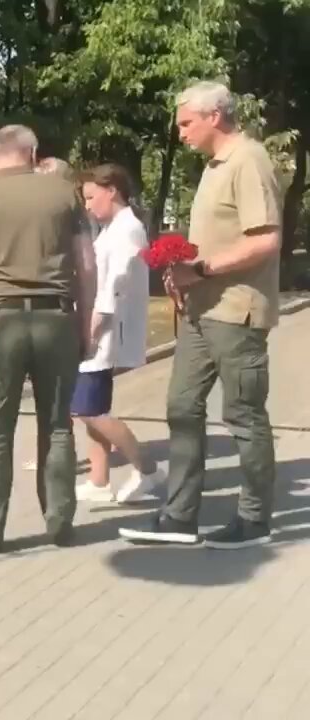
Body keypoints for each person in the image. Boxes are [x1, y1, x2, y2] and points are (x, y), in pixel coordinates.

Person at [119, 81, 282, 549]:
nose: (180, 131)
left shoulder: (248, 160)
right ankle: (179, 518)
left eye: (186, 122)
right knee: (181, 407)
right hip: (201, 311)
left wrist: (202, 268)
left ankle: (254, 520)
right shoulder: (213, 168)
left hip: (236, 311)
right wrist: (182, 272)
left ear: (215, 116)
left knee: (243, 415)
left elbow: (264, 240)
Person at [0, 124, 98, 553]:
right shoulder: (64, 195)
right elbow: (86, 266)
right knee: (57, 425)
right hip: (56, 319)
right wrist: (85, 325)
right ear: (33, 153)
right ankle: (61, 521)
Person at [73, 164, 165, 503]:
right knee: (92, 407)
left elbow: (118, 279)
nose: (87, 205)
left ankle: (149, 469)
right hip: (101, 326)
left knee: (87, 408)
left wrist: (97, 317)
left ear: (112, 190)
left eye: (90, 196)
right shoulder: (113, 227)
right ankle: (99, 481)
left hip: (106, 329)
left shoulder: (128, 228)